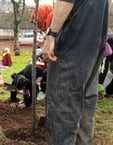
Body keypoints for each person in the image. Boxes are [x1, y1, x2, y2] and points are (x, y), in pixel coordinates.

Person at [42, 0, 110, 144]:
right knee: (86, 100)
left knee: (64, 105)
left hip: (72, 41)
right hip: (95, 38)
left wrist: (51, 35)